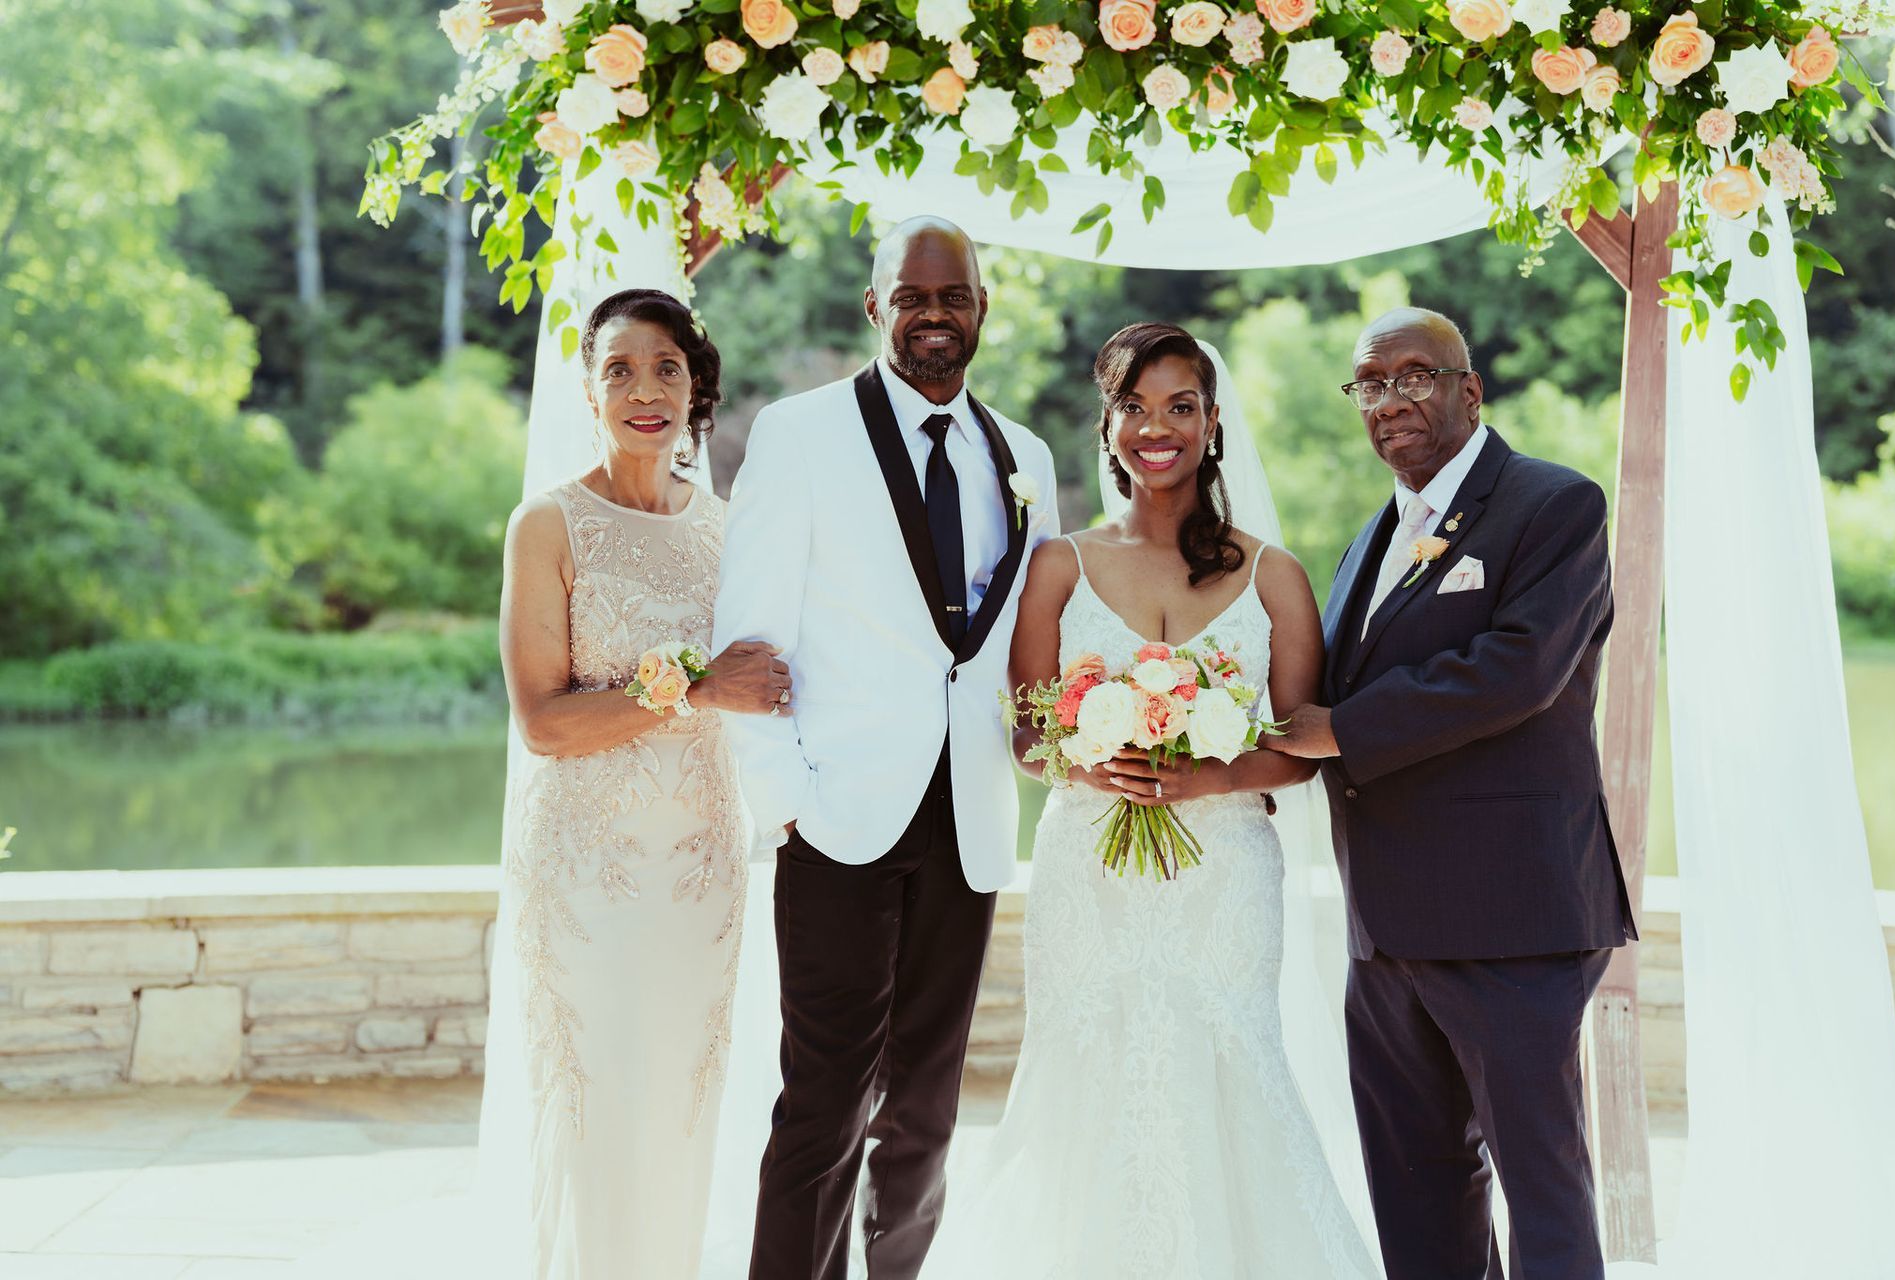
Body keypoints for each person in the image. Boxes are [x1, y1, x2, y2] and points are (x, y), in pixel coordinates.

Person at [921, 322, 1381, 1278]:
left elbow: (1299, 746)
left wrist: (1210, 772)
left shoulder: (1274, 577)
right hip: (1089, 868)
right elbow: (1028, 730)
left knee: (1228, 1059)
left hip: (1223, 873)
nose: (1156, 428)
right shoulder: (1059, 566)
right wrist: (1089, 763)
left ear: (1214, 425)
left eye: (1180, 407)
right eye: (1134, 407)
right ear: (1108, 423)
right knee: (1086, 1062)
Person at [711, 216, 1059, 1280]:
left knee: (926, 1105)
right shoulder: (800, 433)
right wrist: (790, 803)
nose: (933, 316)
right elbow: (749, 637)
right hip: (840, 814)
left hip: (968, 820)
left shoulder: (1027, 456)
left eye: (953, 297)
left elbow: (1009, 648)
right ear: (876, 308)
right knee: (823, 1100)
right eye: (912, 297)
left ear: (982, 309)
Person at [1267, 307, 1636, 1280]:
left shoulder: (1555, 507)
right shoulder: (1366, 542)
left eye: (1415, 376)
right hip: (1384, 929)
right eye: (1370, 383)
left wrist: (1344, 728)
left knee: (1544, 1190)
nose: (1390, 400)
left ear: (1469, 391)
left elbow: (1516, 670)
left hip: (1510, 919)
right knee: (1419, 1194)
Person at [494, 287, 791, 1277]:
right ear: (587, 389)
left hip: (702, 872)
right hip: (589, 872)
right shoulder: (550, 525)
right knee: (594, 1100)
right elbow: (544, 720)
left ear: (696, 386)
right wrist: (696, 686)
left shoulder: (727, 529)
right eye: (618, 368)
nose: (643, 388)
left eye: (665, 366)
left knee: (680, 1098)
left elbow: (771, 675)